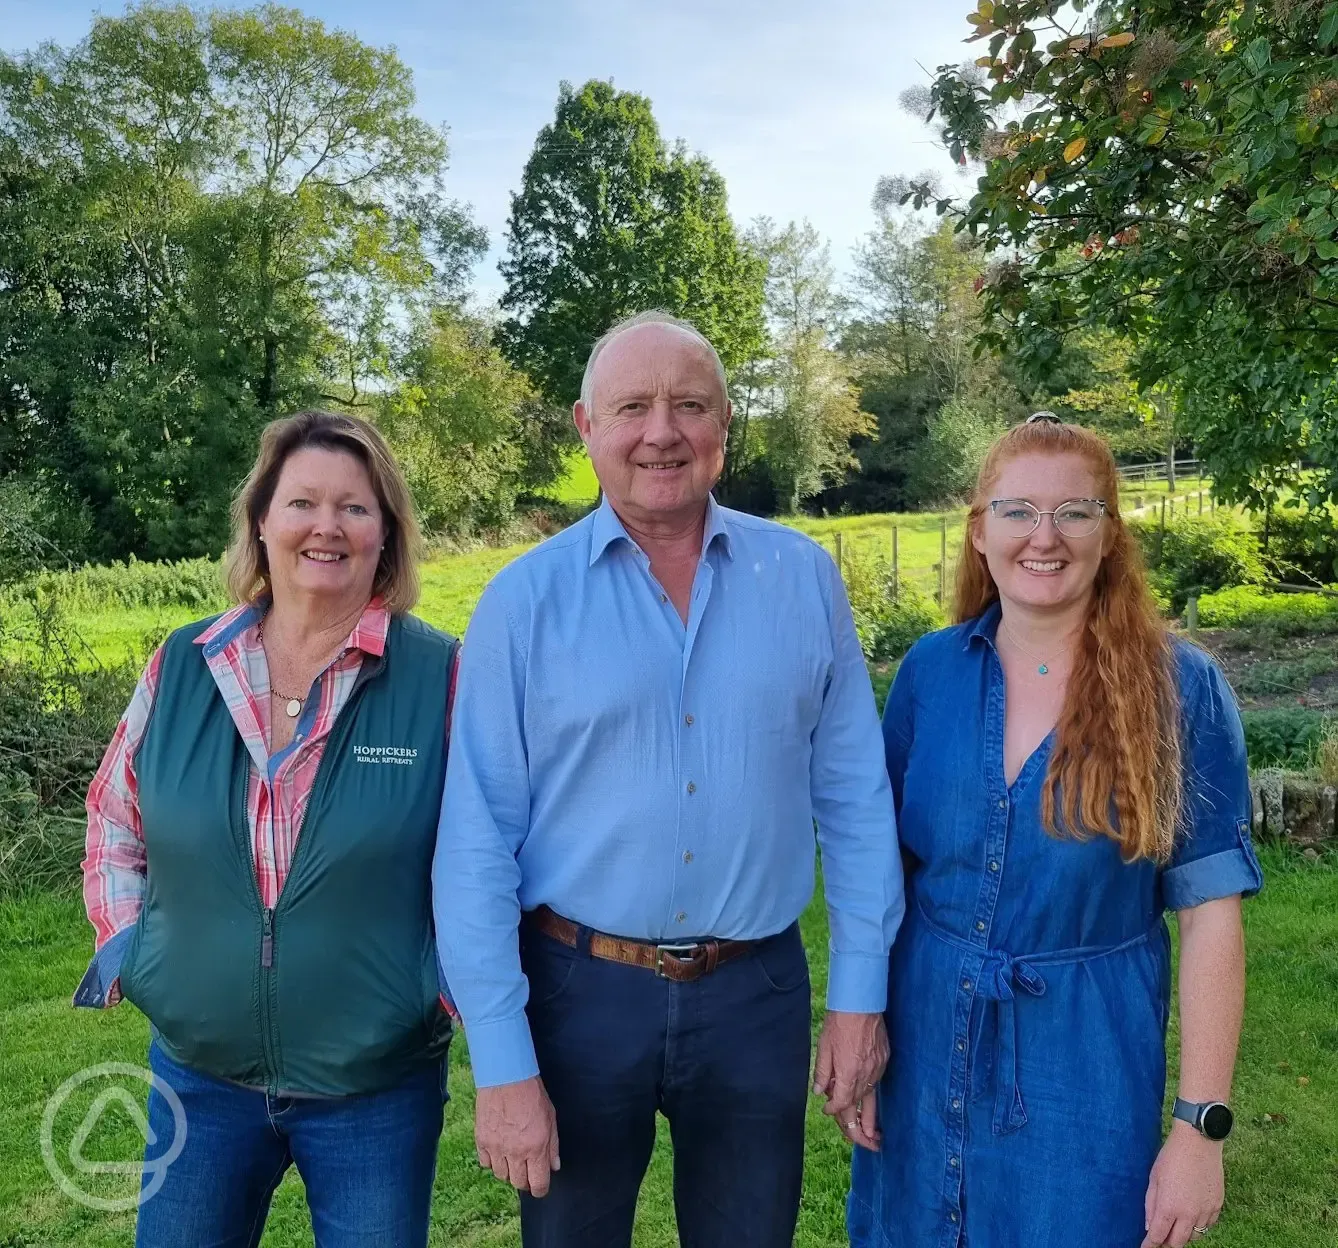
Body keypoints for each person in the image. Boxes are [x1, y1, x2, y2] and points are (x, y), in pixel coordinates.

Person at [433, 310, 904, 1248]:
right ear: (586, 427)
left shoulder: (803, 580)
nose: (662, 432)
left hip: (752, 992)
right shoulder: (523, 602)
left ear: (726, 424)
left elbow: (855, 802)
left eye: (689, 405)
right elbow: (477, 837)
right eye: (633, 406)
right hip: (577, 991)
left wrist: (859, 997)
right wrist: (501, 1060)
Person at [847, 414, 1263, 1248]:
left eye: (1075, 512)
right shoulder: (929, 674)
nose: (1045, 537)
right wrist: (861, 1027)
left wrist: (1197, 1130)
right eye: (1017, 511)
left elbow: (1212, 915)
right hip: (923, 1049)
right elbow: (881, 873)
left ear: (1110, 534)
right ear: (978, 531)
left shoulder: (1179, 687)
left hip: (1086, 1068)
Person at [76, 410, 459, 1248]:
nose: (327, 526)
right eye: (302, 503)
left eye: (355, 507)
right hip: (200, 1077)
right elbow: (114, 818)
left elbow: (487, 854)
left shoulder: (441, 675)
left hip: (375, 1088)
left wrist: (434, 983)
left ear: (386, 533)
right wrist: (131, 949)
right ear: (261, 518)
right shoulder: (183, 663)